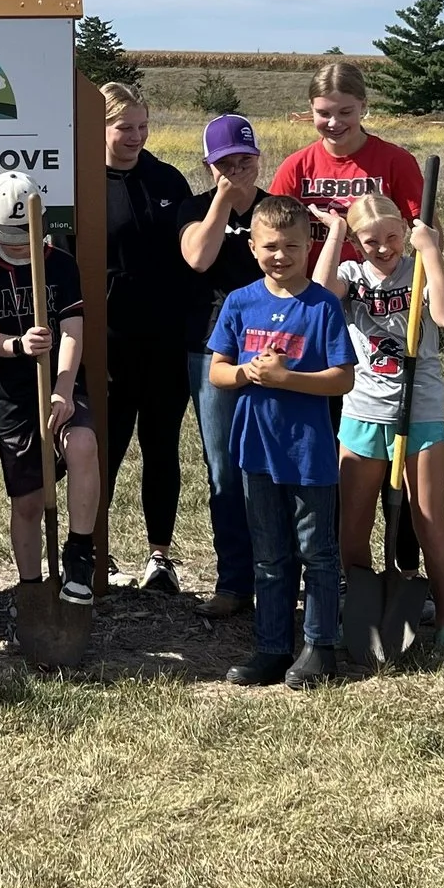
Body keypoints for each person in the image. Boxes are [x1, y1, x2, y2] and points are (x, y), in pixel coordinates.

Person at [208, 194, 356, 690]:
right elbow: (217, 372)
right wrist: (248, 372)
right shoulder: (240, 302)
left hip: (308, 450)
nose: (281, 256)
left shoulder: (322, 306)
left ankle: (320, 646)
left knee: (317, 552)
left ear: (310, 246)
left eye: (292, 246)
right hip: (257, 448)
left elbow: (342, 380)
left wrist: (286, 378)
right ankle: (271, 647)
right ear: (252, 247)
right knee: (269, 556)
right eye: (270, 246)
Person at [311, 192, 444, 654]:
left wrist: (431, 251)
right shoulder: (351, 275)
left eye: (393, 238)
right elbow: (316, 301)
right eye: (370, 240)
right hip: (363, 413)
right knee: (352, 525)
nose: (383, 248)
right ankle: (363, 605)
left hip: (420, 414)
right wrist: (336, 235)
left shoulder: (417, 270)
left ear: (406, 231)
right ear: (358, 242)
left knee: (428, 519)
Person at [0, 172, 103, 604]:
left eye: (23, 235)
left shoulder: (60, 263)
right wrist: (16, 345)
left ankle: (80, 553)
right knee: (28, 501)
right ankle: (30, 592)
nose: (17, 244)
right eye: (7, 236)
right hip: (14, 394)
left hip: (61, 383)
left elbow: (73, 331)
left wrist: (63, 388)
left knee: (82, 444)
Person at [99, 81, 199, 592]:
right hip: (107, 343)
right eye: (124, 127)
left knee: (160, 447)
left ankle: (160, 556)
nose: (136, 136)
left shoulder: (167, 179)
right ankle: (94, 549)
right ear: (100, 127)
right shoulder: (80, 184)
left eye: (142, 126)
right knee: (106, 448)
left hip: (164, 339)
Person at [179, 113, 270, 619]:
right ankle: (234, 581)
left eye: (246, 160)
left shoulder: (275, 210)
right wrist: (221, 201)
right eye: (226, 163)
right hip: (212, 349)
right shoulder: (193, 209)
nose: (238, 171)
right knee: (224, 469)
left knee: (273, 464)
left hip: (274, 346)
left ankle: (278, 574)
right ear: (210, 165)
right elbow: (198, 258)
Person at [269, 60, 424, 249]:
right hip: (310, 278)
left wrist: (411, 274)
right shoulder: (295, 166)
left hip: (380, 278)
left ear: (363, 106)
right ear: (311, 108)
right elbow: (270, 231)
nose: (334, 123)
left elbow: (427, 232)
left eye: (345, 112)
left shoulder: (396, 161)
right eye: (323, 113)